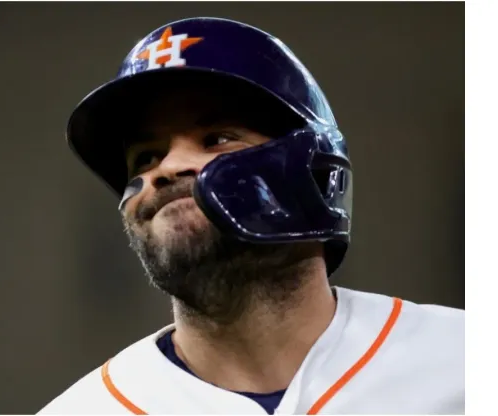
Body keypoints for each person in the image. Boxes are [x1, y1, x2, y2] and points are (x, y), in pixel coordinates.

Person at [39, 17, 464, 415]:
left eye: (217, 138)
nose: (165, 169)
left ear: (317, 174)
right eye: (146, 156)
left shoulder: (462, 359)